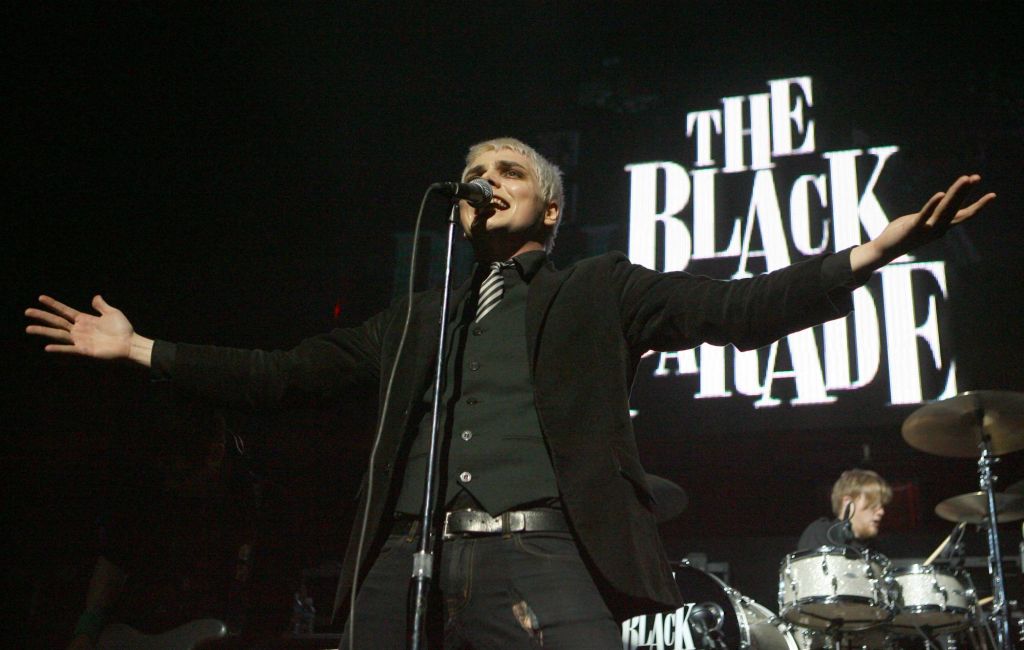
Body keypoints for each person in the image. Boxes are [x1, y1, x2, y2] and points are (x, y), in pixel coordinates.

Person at [27, 137, 994, 649]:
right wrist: (143, 347)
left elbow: (741, 310)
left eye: (508, 169)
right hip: (401, 564)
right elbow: (281, 375)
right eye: (471, 173)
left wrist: (869, 254)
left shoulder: (597, 290)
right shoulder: (414, 319)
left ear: (551, 207)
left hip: (541, 557)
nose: (483, 180)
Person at [797, 469, 893, 551]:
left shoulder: (876, 549)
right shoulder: (820, 533)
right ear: (848, 503)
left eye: (882, 506)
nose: (881, 512)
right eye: (874, 505)